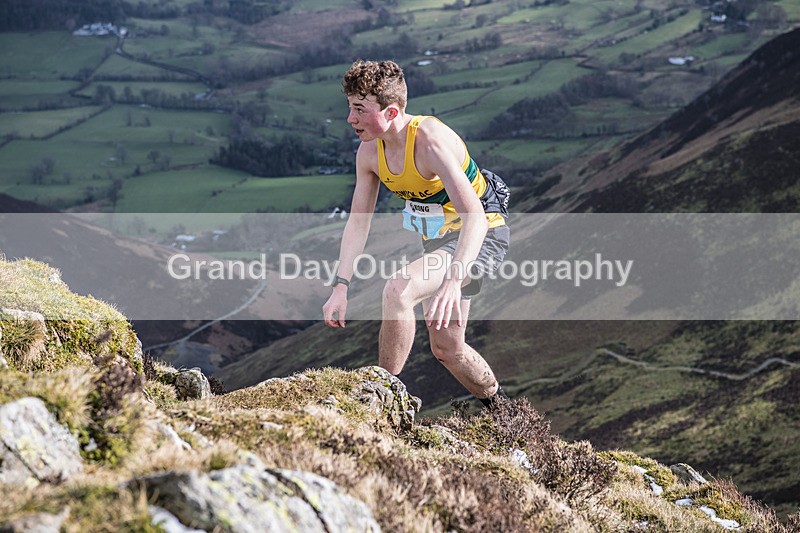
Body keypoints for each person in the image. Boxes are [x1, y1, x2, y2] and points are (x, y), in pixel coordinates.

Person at [322, 59, 510, 407]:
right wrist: (340, 286)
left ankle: (379, 398)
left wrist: (453, 280)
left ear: (391, 112)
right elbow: (358, 222)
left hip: (481, 233)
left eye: (360, 109)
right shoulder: (369, 152)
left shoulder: (429, 142)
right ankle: (505, 410)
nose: (350, 119)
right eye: (350, 107)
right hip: (440, 240)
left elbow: (476, 218)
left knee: (398, 290)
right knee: (448, 349)